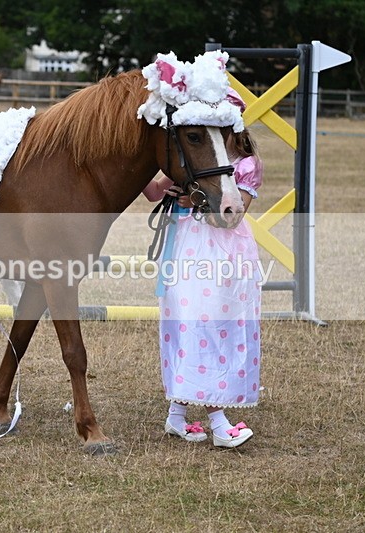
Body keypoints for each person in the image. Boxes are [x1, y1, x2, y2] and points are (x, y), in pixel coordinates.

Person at [142, 90, 263, 448]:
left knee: (211, 328)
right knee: (192, 326)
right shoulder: (192, 155)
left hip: (222, 254)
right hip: (186, 249)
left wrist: (193, 201)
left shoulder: (246, 164)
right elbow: (153, 192)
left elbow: (230, 218)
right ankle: (212, 423)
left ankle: (186, 416)